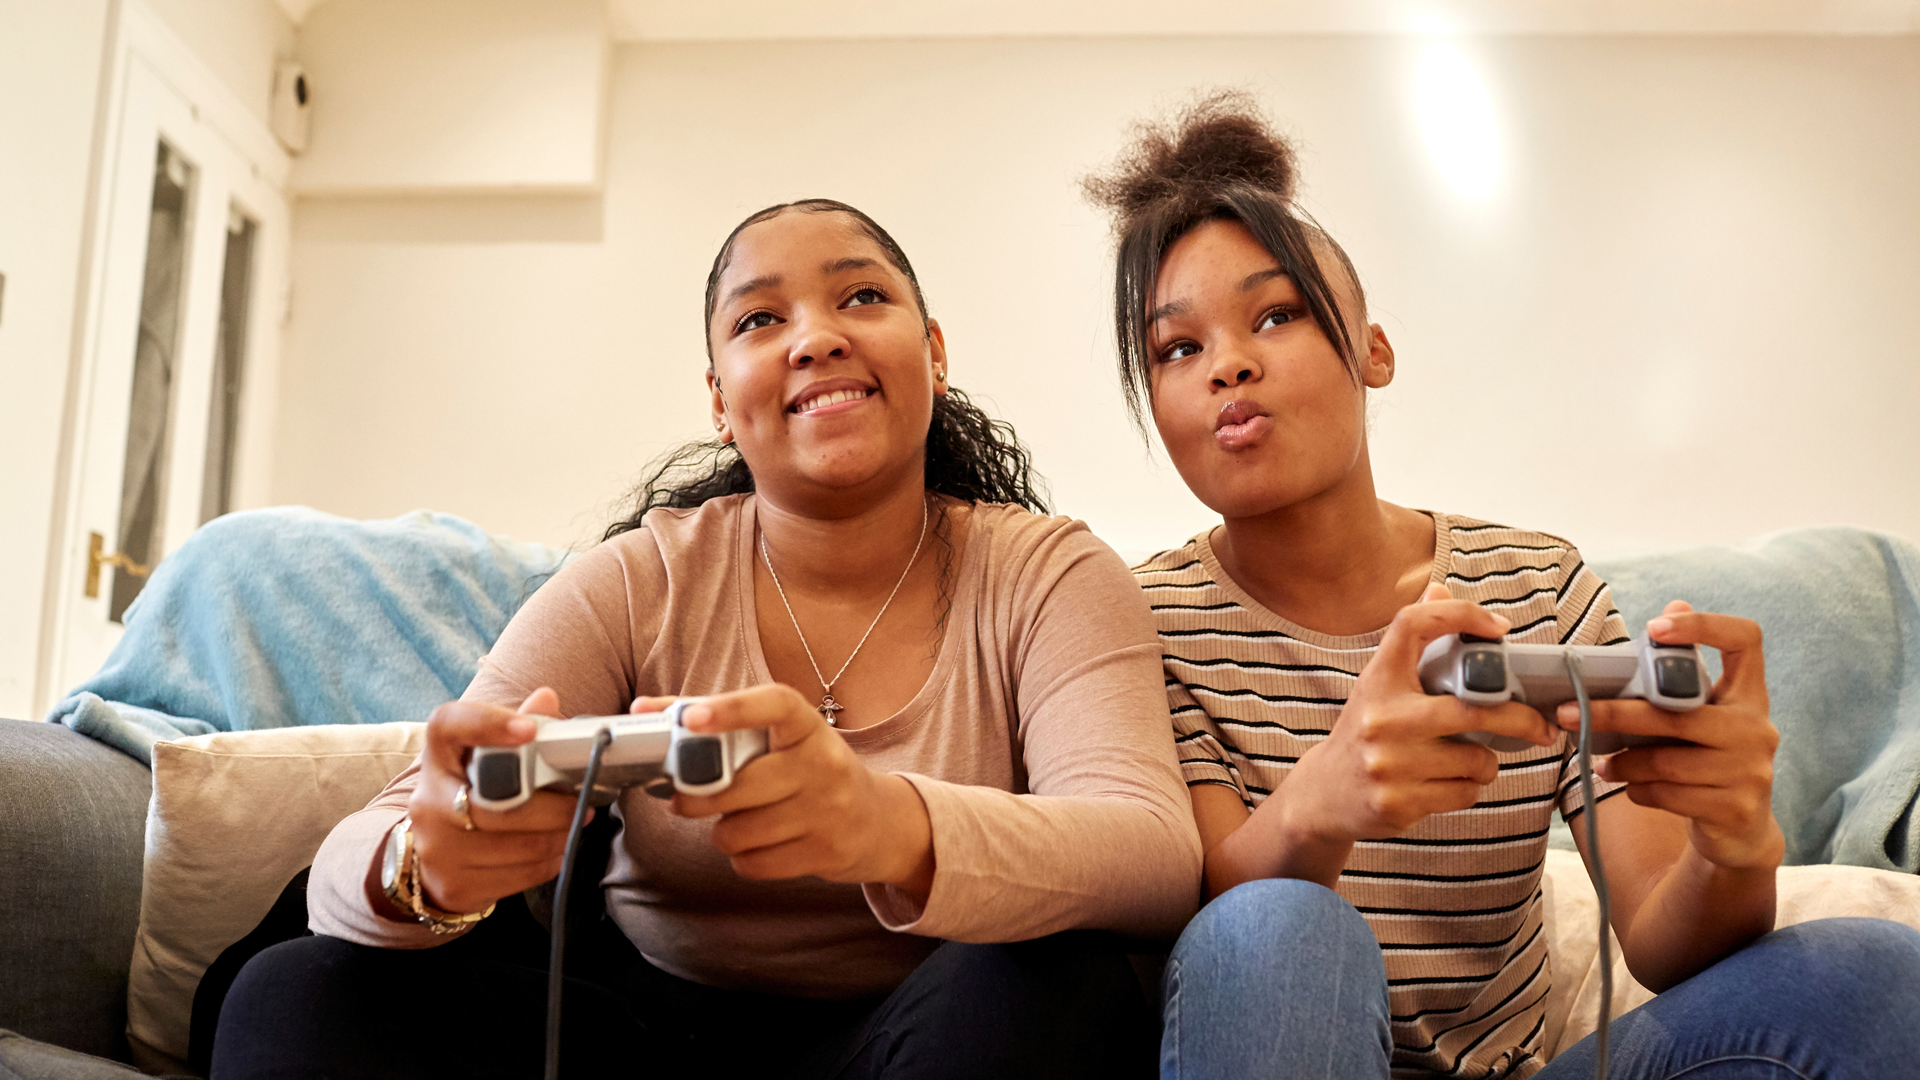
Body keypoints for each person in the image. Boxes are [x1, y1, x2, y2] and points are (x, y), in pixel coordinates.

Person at [211, 198, 1201, 1080]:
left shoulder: (1050, 573)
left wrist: (885, 824)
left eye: (861, 297)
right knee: (293, 993)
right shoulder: (640, 578)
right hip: (641, 1035)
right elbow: (378, 836)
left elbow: (1154, 854)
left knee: (1061, 983)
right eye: (761, 320)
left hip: (926, 1032)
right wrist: (426, 869)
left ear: (935, 354)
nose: (815, 339)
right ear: (722, 402)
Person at [1083, 93, 1920, 1079]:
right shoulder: (1139, 621)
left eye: (1277, 315)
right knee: (1277, 925)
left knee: (1878, 973)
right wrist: (1321, 802)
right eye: (1178, 349)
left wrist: (1733, 842)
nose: (1228, 365)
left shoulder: (1535, 584)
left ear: (1374, 351)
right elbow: (1205, 936)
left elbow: (1664, 941)